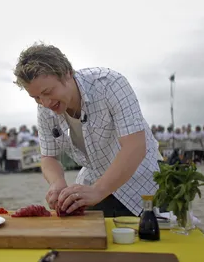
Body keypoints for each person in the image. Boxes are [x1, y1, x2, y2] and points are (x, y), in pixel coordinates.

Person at [13, 43, 160, 217]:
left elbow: (135, 146)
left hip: (142, 182)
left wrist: (98, 190)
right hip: (94, 184)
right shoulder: (45, 108)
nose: (44, 103)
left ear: (67, 73)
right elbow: (48, 156)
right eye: (36, 97)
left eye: (48, 91)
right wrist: (57, 182)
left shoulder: (110, 84)